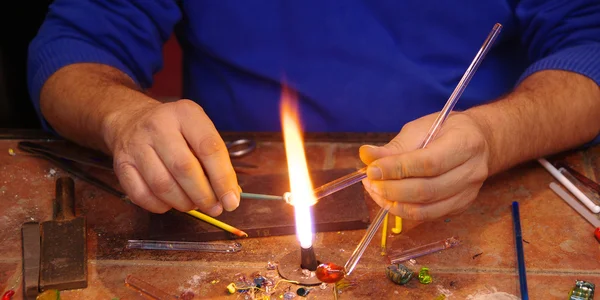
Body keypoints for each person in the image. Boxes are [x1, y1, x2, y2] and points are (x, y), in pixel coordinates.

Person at [27, 1, 600, 221]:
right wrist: (123, 118)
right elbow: (70, 51)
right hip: (223, 193)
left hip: (477, 183)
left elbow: (591, 48)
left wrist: (493, 136)